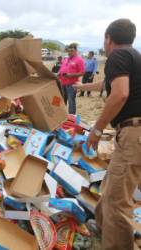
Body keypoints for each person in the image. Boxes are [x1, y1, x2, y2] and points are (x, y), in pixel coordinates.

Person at [76, 19, 141, 250]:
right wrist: (78, 87)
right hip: (134, 134)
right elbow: (107, 85)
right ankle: (102, 226)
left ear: (108, 38)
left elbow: (120, 94)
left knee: (118, 199)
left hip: (133, 133)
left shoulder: (117, 56)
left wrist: (96, 129)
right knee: (112, 183)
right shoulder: (135, 57)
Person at [58, 43, 85, 114]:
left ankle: (72, 118)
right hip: (62, 83)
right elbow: (61, 69)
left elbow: (82, 72)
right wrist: (58, 74)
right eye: (69, 51)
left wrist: (70, 75)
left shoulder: (79, 60)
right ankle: (61, 115)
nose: (70, 52)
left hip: (71, 85)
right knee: (62, 101)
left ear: (76, 51)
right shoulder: (66, 59)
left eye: (72, 51)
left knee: (71, 101)